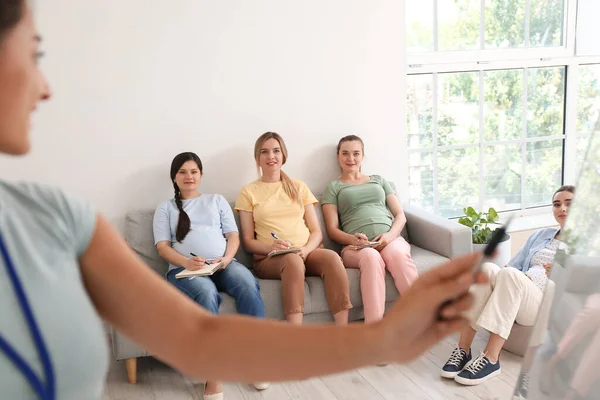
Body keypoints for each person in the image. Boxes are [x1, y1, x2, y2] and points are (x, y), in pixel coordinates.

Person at [0, 2, 487, 399]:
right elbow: (197, 259)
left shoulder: (59, 217)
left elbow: (195, 336)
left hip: (247, 260)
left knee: (244, 282)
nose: (45, 87)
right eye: (33, 54)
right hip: (244, 260)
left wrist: (375, 340)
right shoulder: (212, 201)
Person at [153, 151, 268, 399]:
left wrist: (226, 259)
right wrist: (186, 262)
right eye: (182, 172)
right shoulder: (165, 208)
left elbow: (233, 236)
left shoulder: (216, 200)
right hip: (184, 271)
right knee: (206, 292)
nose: (189, 176)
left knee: (247, 282)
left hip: (221, 264)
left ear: (201, 175)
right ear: (174, 177)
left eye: (193, 171)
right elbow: (162, 247)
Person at [440, 185, 575, 387]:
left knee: (510, 275)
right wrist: (504, 273)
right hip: (519, 289)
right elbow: (513, 266)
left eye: (569, 204)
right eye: (557, 204)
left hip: (542, 302)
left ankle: (491, 358)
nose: (562, 208)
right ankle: (463, 350)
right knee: (487, 270)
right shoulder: (540, 236)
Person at [235, 132, 352, 325]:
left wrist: (305, 251)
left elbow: (316, 231)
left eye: (276, 151)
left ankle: (342, 332)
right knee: (292, 262)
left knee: (331, 258)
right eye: (264, 152)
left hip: (305, 252)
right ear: (258, 158)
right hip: (270, 258)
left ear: (283, 155)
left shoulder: (299, 187)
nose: (271, 156)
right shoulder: (248, 192)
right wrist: (272, 248)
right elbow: (248, 242)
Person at [322, 135, 419, 323]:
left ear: (363, 156)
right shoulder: (333, 187)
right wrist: (353, 240)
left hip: (389, 240)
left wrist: (390, 236)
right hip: (356, 248)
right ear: (338, 156)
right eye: (345, 153)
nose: (351, 158)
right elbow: (332, 229)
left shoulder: (379, 181)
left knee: (398, 255)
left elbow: (400, 215)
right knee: (371, 257)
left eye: (356, 153)